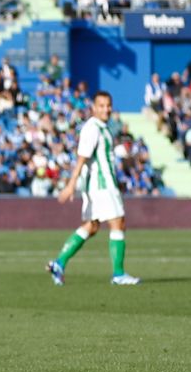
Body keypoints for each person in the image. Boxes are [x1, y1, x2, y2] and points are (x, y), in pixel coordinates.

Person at [47, 92, 140, 286]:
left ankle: (59, 263)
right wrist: (71, 184)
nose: (106, 109)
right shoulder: (92, 128)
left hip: (98, 185)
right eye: (101, 105)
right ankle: (118, 274)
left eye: (108, 105)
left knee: (92, 226)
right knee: (118, 223)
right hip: (101, 185)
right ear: (94, 108)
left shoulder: (103, 128)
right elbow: (82, 156)